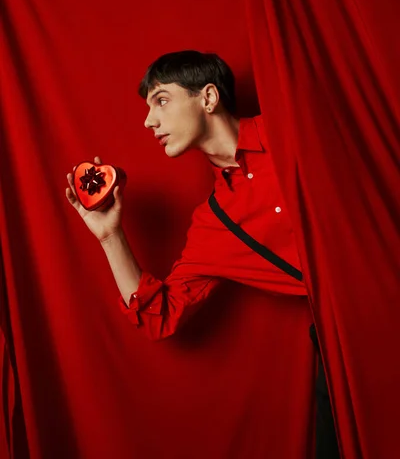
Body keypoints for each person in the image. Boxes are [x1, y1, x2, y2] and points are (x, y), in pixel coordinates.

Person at [65, 50, 339, 458]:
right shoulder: (215, 224)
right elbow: (161, 315)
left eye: (161, 100)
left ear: (208, 98)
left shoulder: (294, 128)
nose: (148, 121)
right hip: (341, 350)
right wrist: (110, 237)